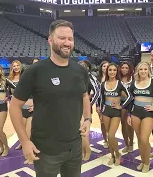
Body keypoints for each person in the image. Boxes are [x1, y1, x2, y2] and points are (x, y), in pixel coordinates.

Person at [9, 20, 92, 177]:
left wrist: (88, 119)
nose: (67, 43)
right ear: (50, 40)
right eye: (62, 38)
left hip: (74, 146)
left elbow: (84, 95)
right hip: (46, 150)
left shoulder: (80, 71)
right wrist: (25, 141)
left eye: (70, 39)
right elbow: (14, 107)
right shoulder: (35, 71)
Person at [127, 61, 153, 173]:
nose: (143, 71)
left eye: (145, 69)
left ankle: (147, 163)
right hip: (135, 112)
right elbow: (130, 100)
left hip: (148, 113)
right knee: (140, 139)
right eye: (141, 69)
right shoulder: (133, 83)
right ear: (137, 71)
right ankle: (143, 161)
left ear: (149, 71)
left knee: (144, 139)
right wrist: (129, 114)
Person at [99, 63, 132, 166]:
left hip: (116, 112)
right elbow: (101, 99)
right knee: (109, 137)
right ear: (107, 71)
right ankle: (112, 156)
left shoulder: (120, 83)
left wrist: (121, 107)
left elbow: (130, 97)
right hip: (106, 111)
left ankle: (117, 154)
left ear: (116, 71)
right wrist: (100, 112)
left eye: (114, 70)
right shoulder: (103, 84)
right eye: (110, 70)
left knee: (112, 135)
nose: (112, 72)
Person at [78, 60, 100, 161]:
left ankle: (87, 150)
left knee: (83, 131)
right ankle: (82, 150)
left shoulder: (90, 77)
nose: (82, 67)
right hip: (73, 107)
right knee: (77, 131)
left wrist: (89, 105)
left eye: (84, 65)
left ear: (88, 67)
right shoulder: (74, 76)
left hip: (84, 108)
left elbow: (97, 92)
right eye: (80, 65)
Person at [118, 62, 135, 153]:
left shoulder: (133, 79)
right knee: (123, 125)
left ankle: (131, 143)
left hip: (131, 103)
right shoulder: (118, 79)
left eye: (126, 68)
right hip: (121, 103)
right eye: (123, 68)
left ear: (129, 69)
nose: (124, 69)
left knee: (129, 125)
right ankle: (126, 144)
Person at [96, 60, 109, 149]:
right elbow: (96, 93)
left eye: (107, 66)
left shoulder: (114, 77)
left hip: (110, 103)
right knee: (102, 123)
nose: (106, 67)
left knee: (111, 123)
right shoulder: (97, 79)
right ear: (101, 67)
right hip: (100, 103)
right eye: (104, 66)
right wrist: (97, 105)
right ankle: (105, 140)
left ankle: (111, 138)